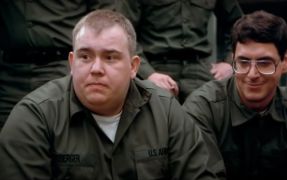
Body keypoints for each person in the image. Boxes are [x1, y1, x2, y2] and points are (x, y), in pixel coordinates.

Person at [0, 9, 225, 179]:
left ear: (134, 67)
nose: (96, 68)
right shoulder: (34, 117)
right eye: (85, 56)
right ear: (71, 62)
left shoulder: (166, 113)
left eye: (110, 57)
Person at [183, 10, 287, 179]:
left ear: (286, 61)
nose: (252, 74)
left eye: (264, 63)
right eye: (243, 62)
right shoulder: (203, 109)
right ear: (232, 59)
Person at [0, 0, 116, 130]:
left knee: (68, 133)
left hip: (62, 67)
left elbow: (106, 19)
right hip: (10, 75)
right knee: (8, 137)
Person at [119, 0, 243, 102]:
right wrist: (149, 74)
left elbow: (238, 24)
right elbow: (124, 32)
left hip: (199, 68)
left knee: (218, 107)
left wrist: (229, 62)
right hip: (156, 66)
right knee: (155, 113)